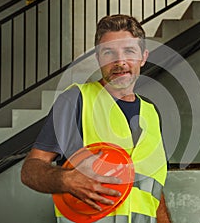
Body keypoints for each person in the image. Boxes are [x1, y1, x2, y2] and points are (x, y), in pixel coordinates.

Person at [21, 14, 171, 223]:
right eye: (109, 52)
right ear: (99, 58)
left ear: (143, 57)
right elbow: (30, 170)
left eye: (129, 51)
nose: (120, 62)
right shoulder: (76, 101)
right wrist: (65, 179)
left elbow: (154, 192)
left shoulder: (151, 113)